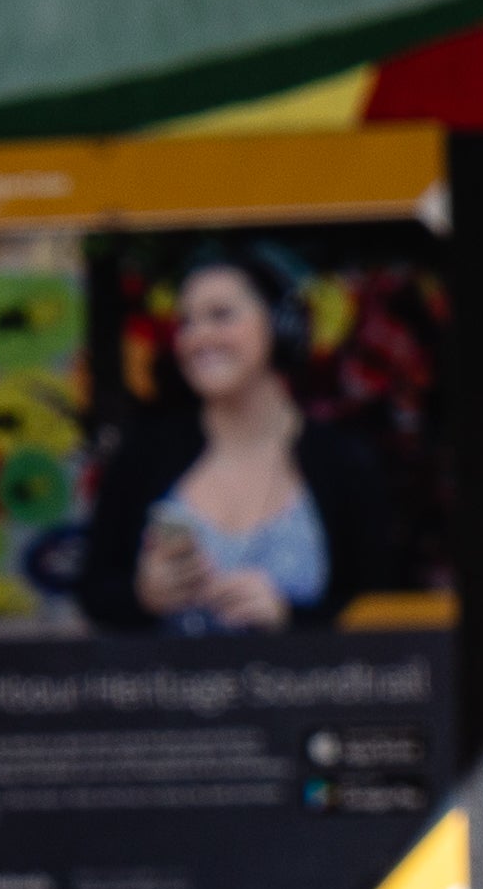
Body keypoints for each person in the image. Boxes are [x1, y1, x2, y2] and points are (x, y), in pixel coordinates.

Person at [84, 247, 405, 633]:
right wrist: (142, 596)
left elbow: (385, 614)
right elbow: (94, 596)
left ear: (281, 325)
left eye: (221, 315)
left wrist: (289, 618)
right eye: (186, 323)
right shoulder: (143, 455)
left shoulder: (344, 461)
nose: (198, 337)